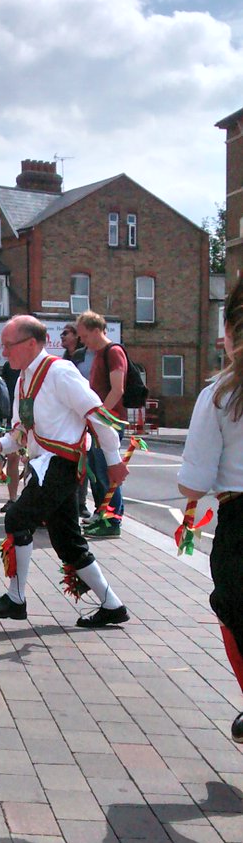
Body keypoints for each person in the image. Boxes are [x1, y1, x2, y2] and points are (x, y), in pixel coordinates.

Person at [0, 314, 130, 629]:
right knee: (67, 540)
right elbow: (21, 431)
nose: (4, 353)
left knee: (18, 518)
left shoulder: (60, 372)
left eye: (8, 345)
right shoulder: (22, 380)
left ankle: (16, 600)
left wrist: (113, 459)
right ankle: (113, 605)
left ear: (31, 344)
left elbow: (98, 415)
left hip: (63, 464)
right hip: (43, 465)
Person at [178, 278, 243, 743]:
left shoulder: (221, 394)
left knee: (234, 610)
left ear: (228, 332)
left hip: (241, 522)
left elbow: (193, 482)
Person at [76, 311, 127, 539]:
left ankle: (112, 520)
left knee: (108, 472)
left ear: (97, 331)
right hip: (99, 422)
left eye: (85, 336)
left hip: (108, 422)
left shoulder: (113, 352)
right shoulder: (98, 354)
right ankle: (103, 514)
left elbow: (118, 389)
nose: (83, 341)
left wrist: (100, 417)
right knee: (98, 471)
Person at [61, 323, 91, 519]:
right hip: (67, 415)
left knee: (83, 458)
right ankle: (71, 502)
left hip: (82, 412)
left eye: (66, 333)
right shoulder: (64, 359)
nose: (62, 336)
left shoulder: (83, 357)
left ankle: (81, 503)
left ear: (76, 336)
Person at [0, 358, 21, 512]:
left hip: (35, 420)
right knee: (12, 457)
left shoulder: (42, 367)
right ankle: (12, 498)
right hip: (13, 418)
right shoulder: (10, 365)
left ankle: (31, 499)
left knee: (32, 462)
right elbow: (5, 392)